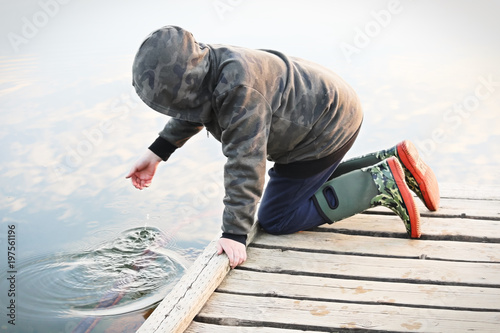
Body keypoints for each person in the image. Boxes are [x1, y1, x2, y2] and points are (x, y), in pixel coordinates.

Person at [126, 26, 440, 269]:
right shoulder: (208, 64)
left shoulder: (239, 94)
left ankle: (378, 183)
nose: (177, 109)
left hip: (324, 129)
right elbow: (196, 109)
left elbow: (245, 164)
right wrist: (157, 152)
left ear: (189, 82)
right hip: (330, 108)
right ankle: (393, 160)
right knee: (301, 186)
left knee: (277, 217)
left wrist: (234, 234)